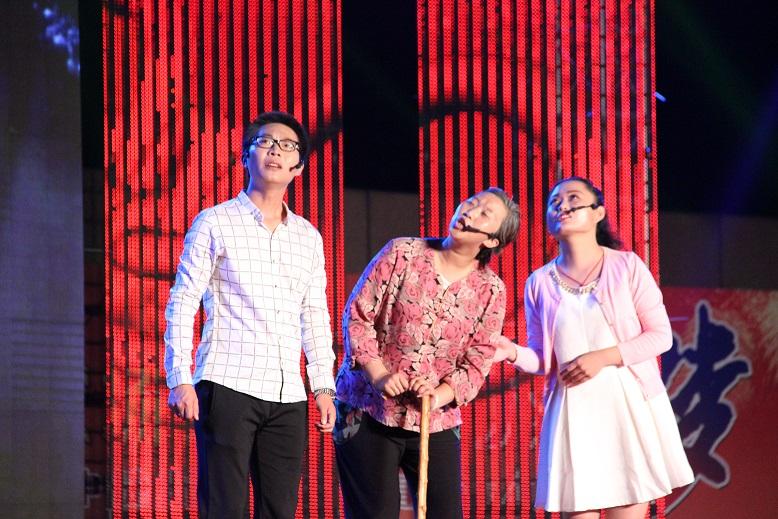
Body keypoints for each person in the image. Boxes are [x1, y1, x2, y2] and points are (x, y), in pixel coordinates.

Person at [164, 111, 337, 518]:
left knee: (280, 510)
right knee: (225, 508)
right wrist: (179, 377)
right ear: (246, 157)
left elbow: (314, 313)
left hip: (288, 395)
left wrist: (323, 387)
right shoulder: (214, 222)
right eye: (265, 142)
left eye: (287, 146)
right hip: (228, 383)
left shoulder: (308, 237)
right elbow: (183, 300)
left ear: (298, 167)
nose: (276, 151)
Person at [494, 177, 694, 518]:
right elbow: (543, 359)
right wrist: (510, 351)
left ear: (598, 212)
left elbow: (660, 335)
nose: (562, 205)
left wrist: (602, 358)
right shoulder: (538, 282)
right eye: (555, 202)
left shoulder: (627, 266)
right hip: (573, 412)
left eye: (573, 198)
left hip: (627, 408)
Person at [334, 187, 520, 519]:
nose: (469, 212)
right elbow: (358, 316)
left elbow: (477, 362)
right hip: (368, 407)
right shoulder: (402, 252)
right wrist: (379, 375)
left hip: (435, 420)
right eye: (471, 203)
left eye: (484, 214)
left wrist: (438, 395)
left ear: (493, 240)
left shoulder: (491, 290)